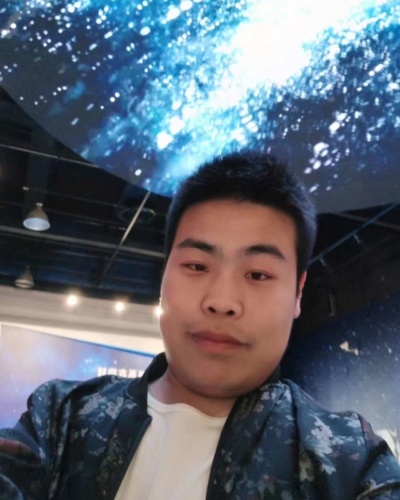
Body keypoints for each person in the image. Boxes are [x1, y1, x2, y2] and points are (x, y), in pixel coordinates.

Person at [1, 152, 400, 500]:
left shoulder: (346, 458)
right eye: (196, 265)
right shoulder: (63, 417)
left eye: (258, 274)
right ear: (164, 276)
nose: (221, 301)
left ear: (297, 293)